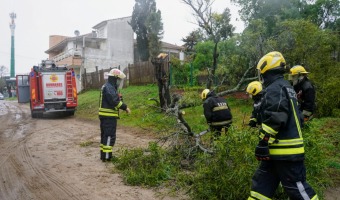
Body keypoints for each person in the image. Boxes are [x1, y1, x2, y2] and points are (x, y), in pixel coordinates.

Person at [248, 51, 318, 200]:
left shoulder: (275, 88)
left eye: (261, 72)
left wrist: (263, 141)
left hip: (285, 152)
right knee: (261, 188)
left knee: (298, 190)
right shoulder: (287, 87)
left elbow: (275, 116)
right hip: (277, 152)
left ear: (266, 70)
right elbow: (298, 116)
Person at [99, 68, 131, 162]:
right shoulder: (109, 87)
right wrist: (125, 107)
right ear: (115, 78)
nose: (119, 82)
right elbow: (114, 101)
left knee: (105, 136)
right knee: (109, 136)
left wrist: (119, 98)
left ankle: (103, 155)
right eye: (119, 80)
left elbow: (113, 100)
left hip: (105, 116)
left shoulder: (107, 86)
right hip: (109, 117)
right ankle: (108, 157)